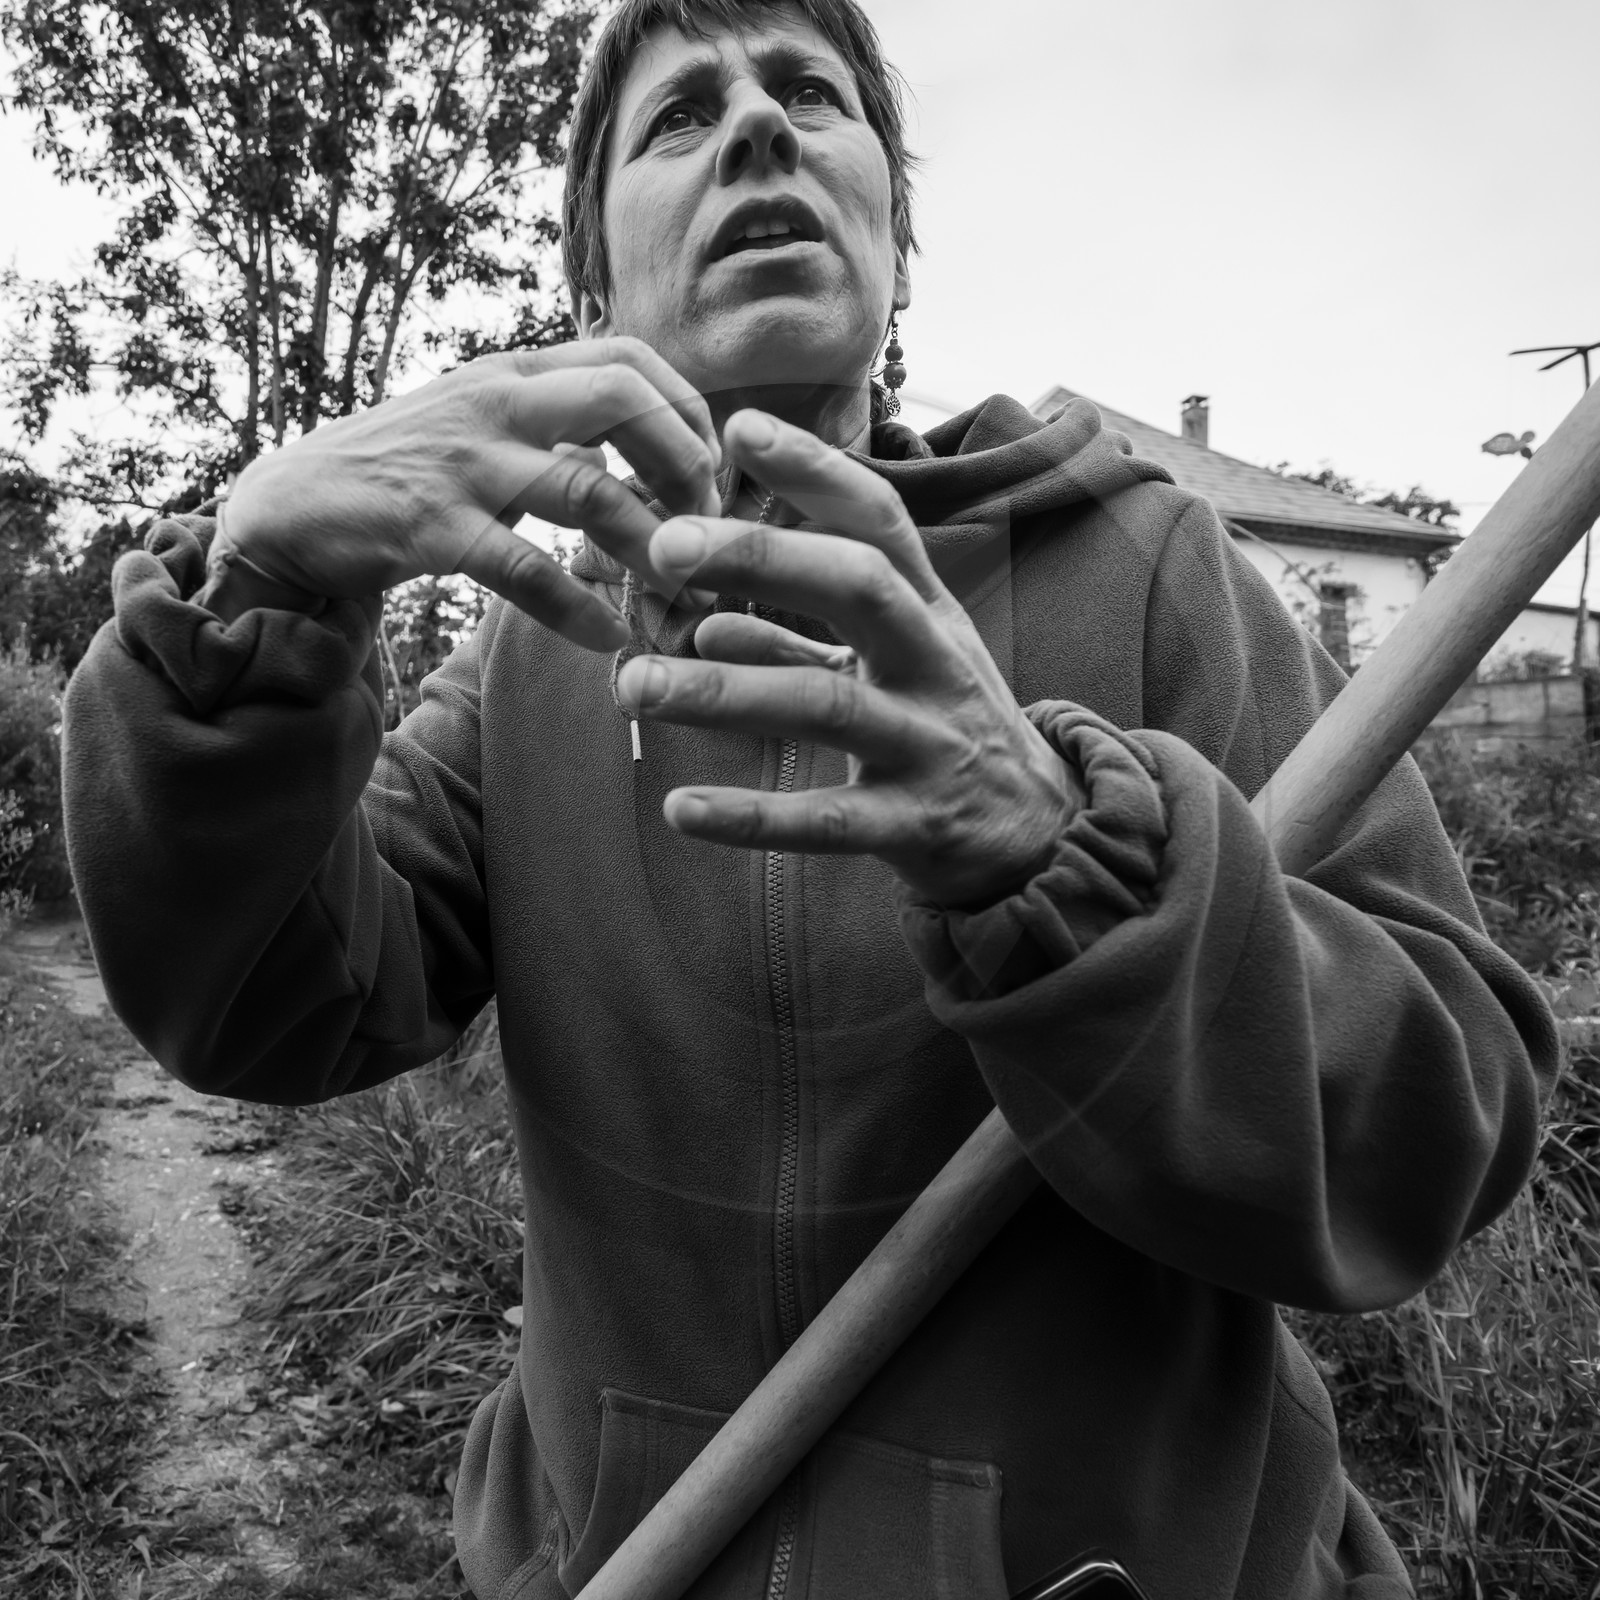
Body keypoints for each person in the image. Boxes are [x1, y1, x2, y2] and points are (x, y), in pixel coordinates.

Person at [62, 1, 1558, 1596]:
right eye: (679, 118)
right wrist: (249, 597)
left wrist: (1070, 859)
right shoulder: (527, 666)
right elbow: (266, 1009)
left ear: (896, 255)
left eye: (807, 95)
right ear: (598, 284)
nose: (758, 129)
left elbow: (1439, 1138)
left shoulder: (1154, 574)